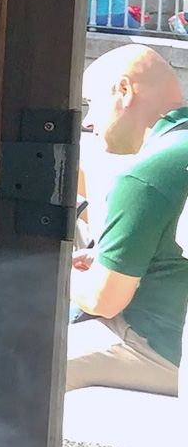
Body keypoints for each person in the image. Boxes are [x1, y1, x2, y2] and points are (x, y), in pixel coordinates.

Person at [68, 45, 188, 395]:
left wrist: (52, 273)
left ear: (124, 90)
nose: (88, 120)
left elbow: (103, 300)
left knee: (12, 366)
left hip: (163, 349)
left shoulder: (146, 175)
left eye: (91, 102)